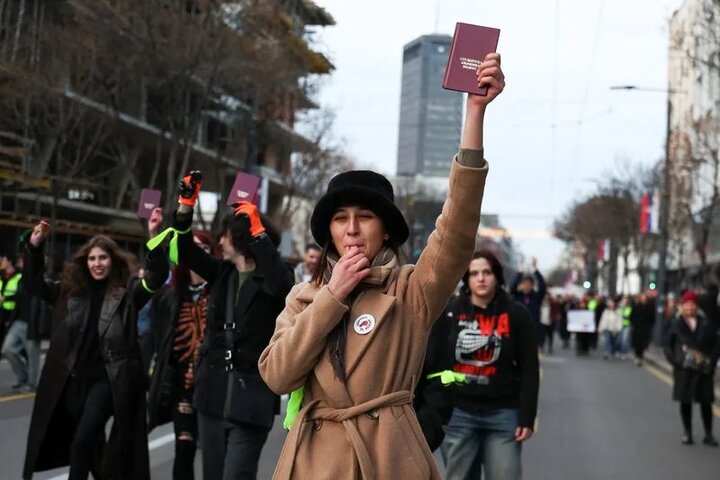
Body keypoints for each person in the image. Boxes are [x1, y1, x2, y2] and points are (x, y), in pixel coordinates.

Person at [259, 53, 504, 480]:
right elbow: (277, 376)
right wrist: (331, 297)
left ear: (386, 231)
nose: (352, 229)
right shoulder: (303, 297)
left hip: (387, 460)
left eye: (365, 217)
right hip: (314, 462)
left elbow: (457, 228)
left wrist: (474, 113)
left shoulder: (413, 290)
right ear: (330, 233)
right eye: (340, 219)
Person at [22, 220, 169, 480]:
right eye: (92, 258)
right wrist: (34, 247)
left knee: (80, 443)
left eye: (103, 258)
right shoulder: (69, 291)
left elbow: (156, 279)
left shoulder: (128, 293)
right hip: (75, 382)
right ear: (84, 262)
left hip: (108, 382)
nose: (97, 263)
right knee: (92, 449)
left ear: (112, 261)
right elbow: (34, 285)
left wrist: (154, 236)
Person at [170, 174, 294, 480]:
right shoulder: (222, 272)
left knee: (238, 473)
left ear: (238, 239)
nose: (219, 242)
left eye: (224, 235)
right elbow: (185, 250)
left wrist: (258, 231)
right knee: (213, 474)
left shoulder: (274, 277)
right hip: (212, 392)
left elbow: (281, 284)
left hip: (252, 396)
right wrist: (186, 206)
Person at [423, 250, 539, 480]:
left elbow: (529, 369)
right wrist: (433, 409)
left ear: (497, 276)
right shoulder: (449, 314)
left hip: (503, 414)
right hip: (457, 413)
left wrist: (527, 416)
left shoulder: (516, 314)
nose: (481, 278)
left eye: (487, 272)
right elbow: (432, 364)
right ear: (466, 279)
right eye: (474, 273)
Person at [147, 208, 219, 480]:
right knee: (183, 450)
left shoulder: (220, 289)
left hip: (213, 386)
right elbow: (155, 274)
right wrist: (153, 235)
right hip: (182, 387)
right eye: (192, 247)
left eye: (202, 248)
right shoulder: (172, 295)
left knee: (215, 456)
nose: (196, 253)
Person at [663, 290, 719, 446]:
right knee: (685, 401)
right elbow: (667, 345)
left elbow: (716, 345)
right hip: (684, 369)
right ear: (682, 306)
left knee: (706, 402)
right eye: (686, 304)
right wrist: (675, 361)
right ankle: (687, 432)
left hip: (704, 369)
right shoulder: (675, 323)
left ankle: (708, 434)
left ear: (696, 306)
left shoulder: (706, 323)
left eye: (692, 304)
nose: (689, 307)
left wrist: (712, 363)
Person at [1, 253, 29, 389]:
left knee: (25, 351)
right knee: (8, 350)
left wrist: (5, 299)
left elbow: (20, 297)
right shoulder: (1, 277)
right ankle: (23, 376)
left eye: (3, 259)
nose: (1, 262)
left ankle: (30, 378)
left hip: (16, 318)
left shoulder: (20, 277)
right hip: (6, 319)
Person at [510, 257, 546, 350]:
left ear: (532, 285)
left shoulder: (536, 297)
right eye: (524, 284)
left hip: (533, 330)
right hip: (518, 330)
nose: (526, 286)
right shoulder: (518, 296)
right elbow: (512, 287)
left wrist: (535, 269)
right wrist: (520, 271)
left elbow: (542, 285)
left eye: (529, 284)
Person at [630, 293, 655, 366]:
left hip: (646, 328)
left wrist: (650, 325)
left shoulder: (650, 307)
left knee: (644, 343)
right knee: (637, 343)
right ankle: (638, 356)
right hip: (637, 328)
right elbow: (632, 316)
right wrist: (634, 324)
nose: (643, 300)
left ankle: (640, 355)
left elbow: (652, 318)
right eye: (642, 298)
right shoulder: (636, 306)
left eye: (645, 299)